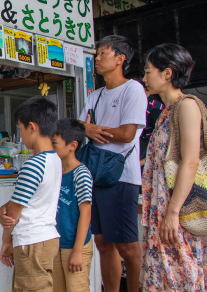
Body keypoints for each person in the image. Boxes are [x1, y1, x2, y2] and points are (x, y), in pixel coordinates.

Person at [78, 35, 147, 292]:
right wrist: (87, 128)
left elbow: (128, 133)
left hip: (121, 177)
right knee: (102, 241)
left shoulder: (133, 89)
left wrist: (92, 129)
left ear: (120, 59)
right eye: (97, 54)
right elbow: (80, 127)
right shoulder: (94, 96)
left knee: (127, 245)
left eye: (102, 53)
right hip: (95, 175)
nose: (97, 58)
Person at [140, 43, 206, 290]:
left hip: (178, 210)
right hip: (163, 210)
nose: (145, 78)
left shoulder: (186, 106)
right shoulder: (167, 111)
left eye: (148, 71)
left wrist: (173, 212)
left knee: (181, 275)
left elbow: (190, 160)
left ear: (167, 74)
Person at [0, 96, 62, 292]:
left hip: (32, 241)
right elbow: (27, 199)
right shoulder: (55, 159)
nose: (21, 135)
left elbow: (13, 214)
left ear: (32, 127)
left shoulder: (33, 165)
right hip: (46, 238)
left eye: (20, 129)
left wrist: (6, 239)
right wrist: (6, 207)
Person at [51, 118, 93, 292]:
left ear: (72, 146)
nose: (51, 147)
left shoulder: (81, 174)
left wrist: (77, 251)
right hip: (56, 244)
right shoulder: (55, 171)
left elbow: (86, 213)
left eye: (55, 143)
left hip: (76, 245)